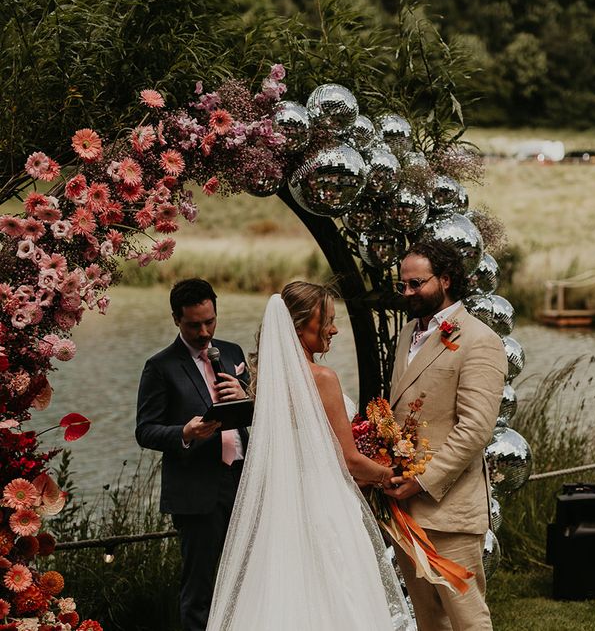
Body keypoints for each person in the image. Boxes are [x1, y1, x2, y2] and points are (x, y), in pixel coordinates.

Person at [206, 281, 414, 631]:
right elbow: (347, 460)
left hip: (284, 504)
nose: (334, 329)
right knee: (339, 592)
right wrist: (391, 473)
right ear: (302, 325)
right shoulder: (322, 378)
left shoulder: (268, 380)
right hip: (324, 502)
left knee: (286, 591)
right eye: (328, 320)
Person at [385, 241, 507, 631]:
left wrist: (422, 481)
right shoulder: (407, 333)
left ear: (447, 280)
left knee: (467, 619)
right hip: (404, 507)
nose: (406, 293)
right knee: (428, 618)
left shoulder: (480, 340)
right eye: (402, 285)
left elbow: (475, 430)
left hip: (449, 507)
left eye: (416, 284)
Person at [135, 278, 249, 631]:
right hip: (198, 492)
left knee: (247, 581)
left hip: (244, 481)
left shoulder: (231, 353)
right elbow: (145, 430)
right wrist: (184, 433)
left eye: (209, 321)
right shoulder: (161, 366)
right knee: (200, 590)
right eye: (193, 324)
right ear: (175, 319)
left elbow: (254, 415)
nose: (204, 332)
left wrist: (245, 394)